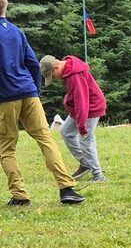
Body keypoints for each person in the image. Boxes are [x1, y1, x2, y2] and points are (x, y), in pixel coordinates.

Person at [0, 0, 84, 205]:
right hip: (29, 92)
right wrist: (35, 91)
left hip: (5, 97)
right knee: (45, 138)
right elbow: (33, 64)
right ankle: (66, 189)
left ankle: (20, 196)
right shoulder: (17, 32)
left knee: (6, 147)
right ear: (5, 6)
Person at [40, 54, 107, 183]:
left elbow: (82, 101)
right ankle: (85, 163)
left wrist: (81, 125)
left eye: (52, 75)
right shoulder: (68, 69)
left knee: (85, 141)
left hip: (91, 108)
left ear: (56, 67)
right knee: (66, 132)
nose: (55, 78)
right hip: (79, 109)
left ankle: (98, 175)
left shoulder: (74, 76)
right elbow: (75, 96)